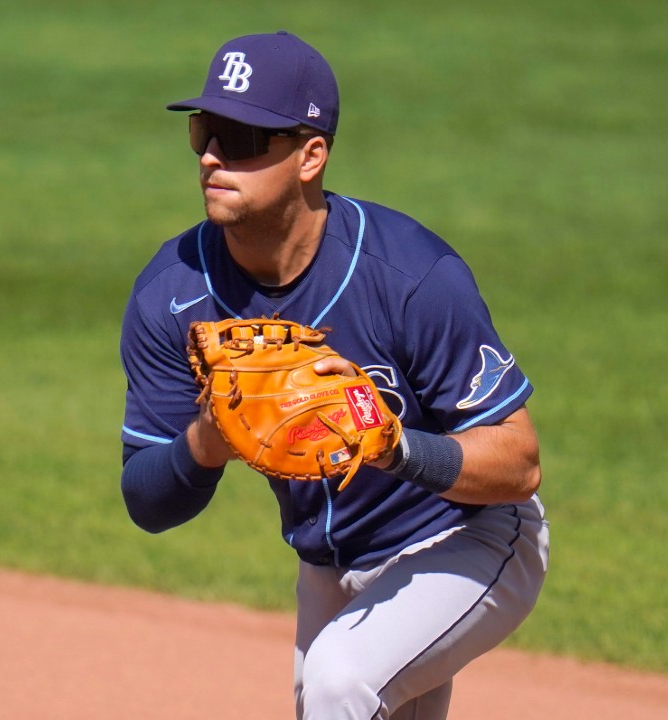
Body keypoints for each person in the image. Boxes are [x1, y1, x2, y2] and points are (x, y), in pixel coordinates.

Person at [119, 31, 550, 720]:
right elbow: (146, 499)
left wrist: (392, 445)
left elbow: (519, 463)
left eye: (241, 138)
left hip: (467, 539)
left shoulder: (411, 276)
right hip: (328, 565)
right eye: (204, 131)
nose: (210, 156)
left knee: (338, 682)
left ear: (310, 155)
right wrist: (207, 441)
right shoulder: (173, 293)